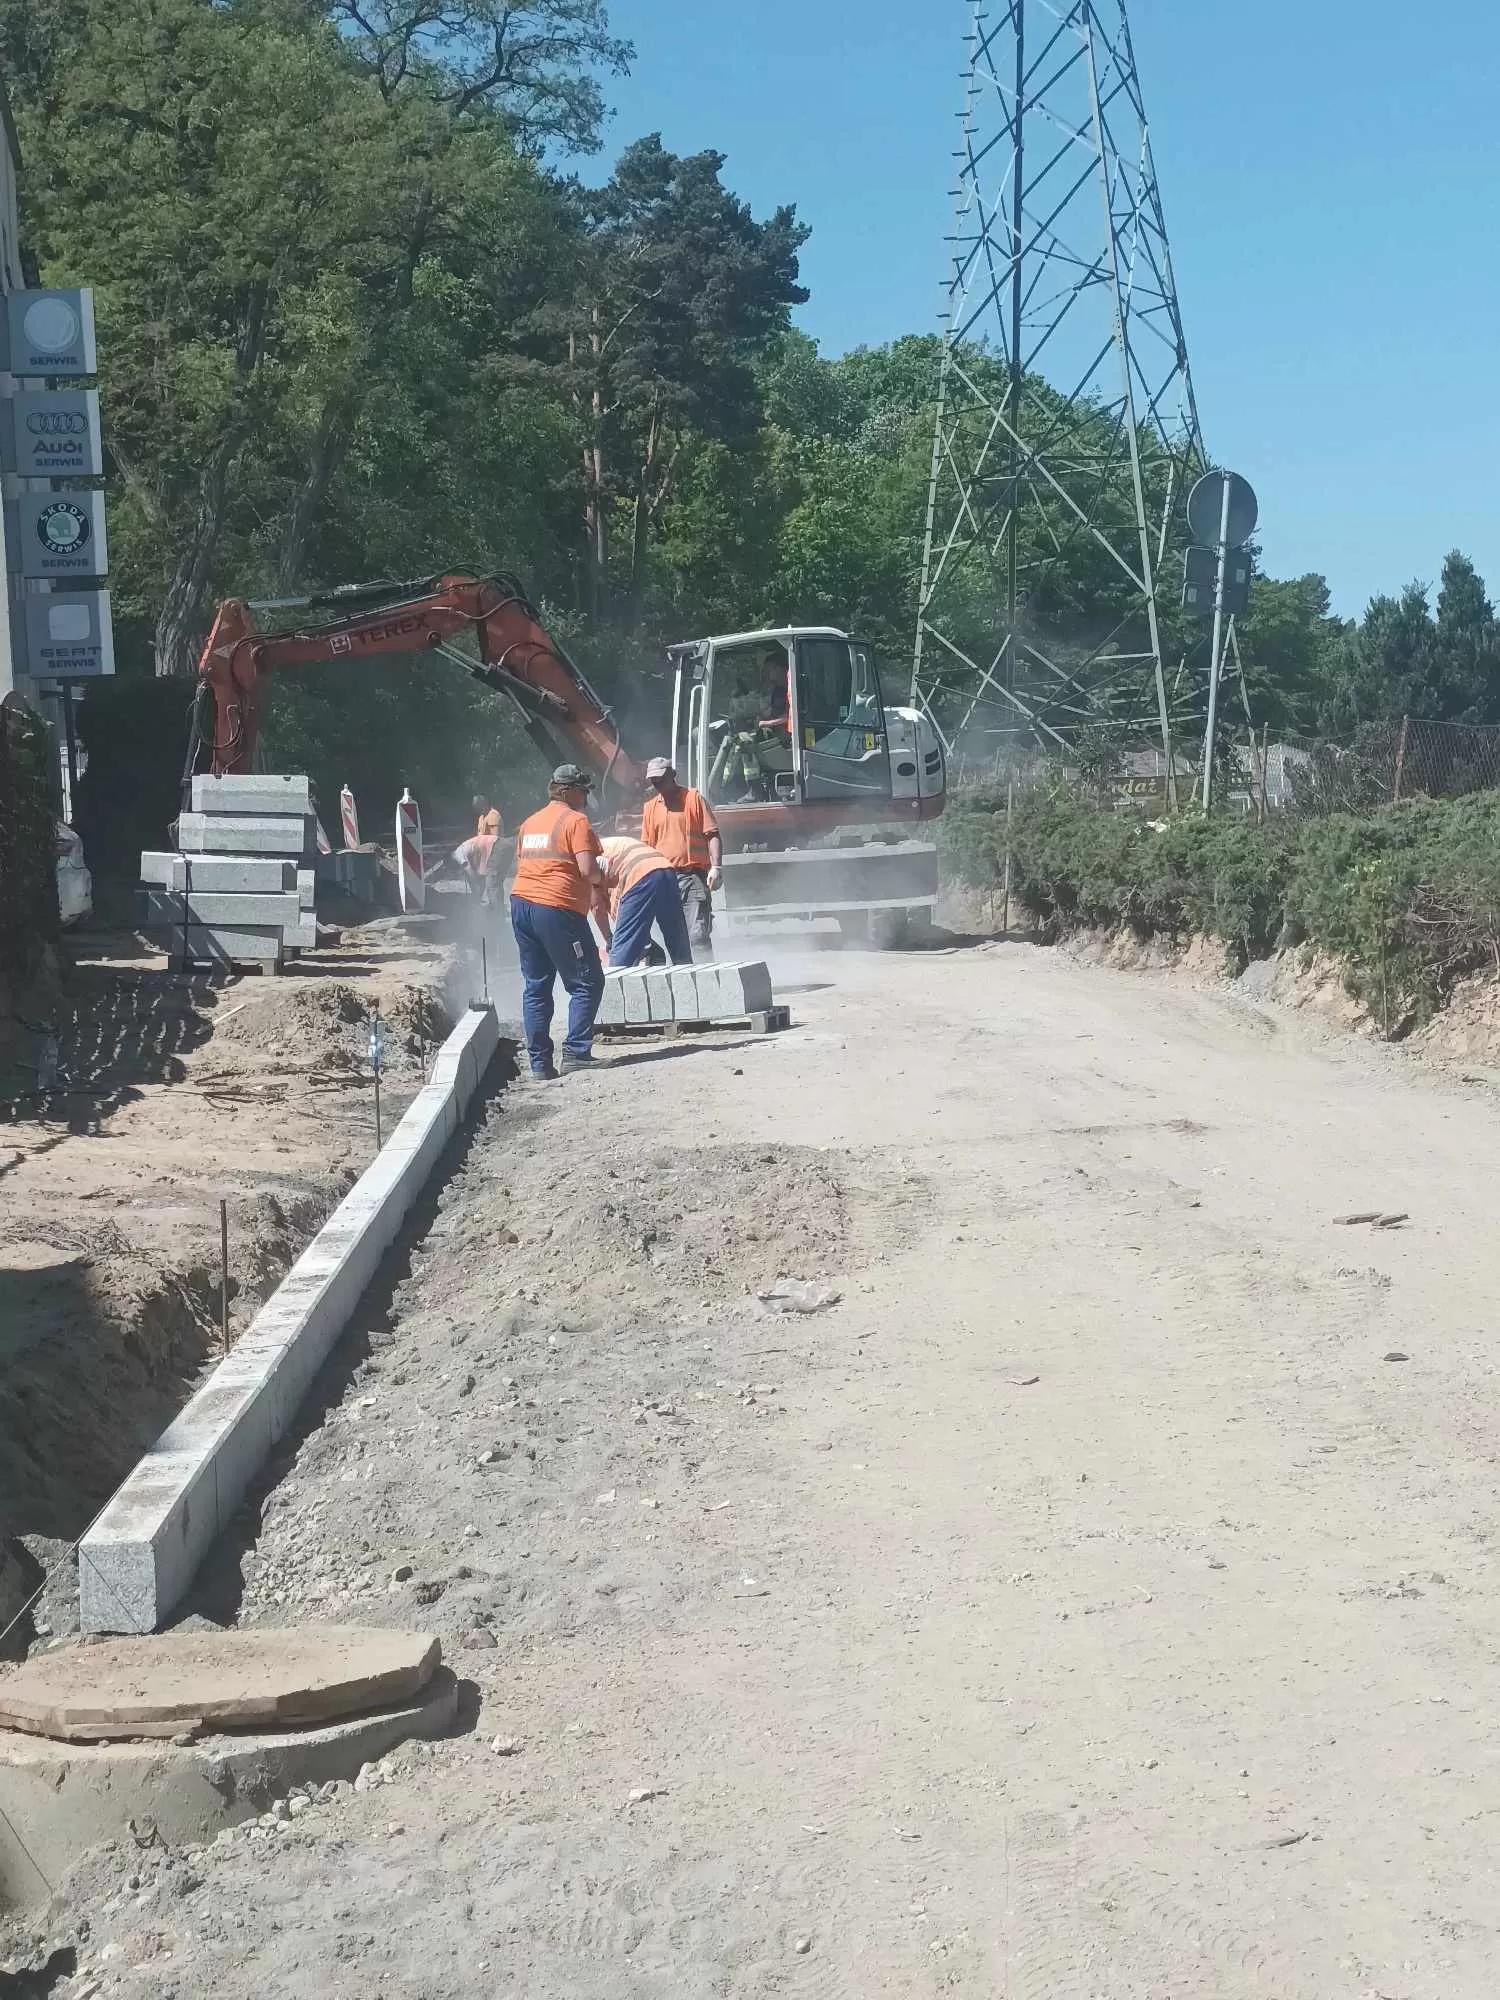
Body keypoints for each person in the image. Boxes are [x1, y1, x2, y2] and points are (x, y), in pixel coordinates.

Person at [509, 764, 605, 1078]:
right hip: (557, 909)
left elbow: (522, 864)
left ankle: (540, 1065)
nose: (587, 795)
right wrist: (606, 880)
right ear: (568, 791)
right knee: (586, 981)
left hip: (522, 904)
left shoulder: (529, 822)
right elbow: (589, 870)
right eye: (583, 789)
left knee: (536, 986)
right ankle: (577, 1051)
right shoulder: (575, 821)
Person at [640, 756, 723, 955]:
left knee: (697, 934)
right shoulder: (650, 807)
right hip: (663, 879)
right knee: (676, 938)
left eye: (660, 779)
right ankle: (686, 979)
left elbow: (712, 834)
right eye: (653, 780)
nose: (656, 784)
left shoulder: (693, 798)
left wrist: (716, 867)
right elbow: (646, 848)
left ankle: (706, 980)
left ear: (673, 775)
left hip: (692, 877)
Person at [596, 834, 694, 968]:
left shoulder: (581, 864)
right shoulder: (604, 845)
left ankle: (613, 987)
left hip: (638, 873)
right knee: (677, 942)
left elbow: (597, 907)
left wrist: (609, 940)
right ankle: (688, 981)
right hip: (665, 868)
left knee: (620, 959)